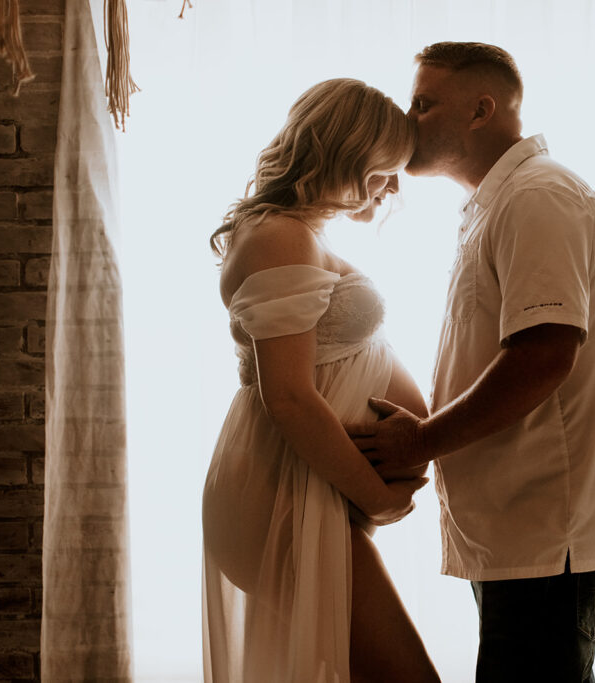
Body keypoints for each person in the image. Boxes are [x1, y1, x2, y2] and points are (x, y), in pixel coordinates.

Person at [348, 43, 595, 683]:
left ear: (481, 109)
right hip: (521, 524)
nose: (409, 119)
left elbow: (544, 357)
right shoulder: (498, 202)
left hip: (548, 526)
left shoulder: (539, 196)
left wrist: (421, 441)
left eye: (424, 104)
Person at [201, 78, 441, 683]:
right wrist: (378, 495)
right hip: (282, 493)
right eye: (387, 171)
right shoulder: (282, 236)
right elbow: (288, 398)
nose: (391, 189)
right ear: (351, 155)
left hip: (306, 490)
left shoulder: (298, 230)